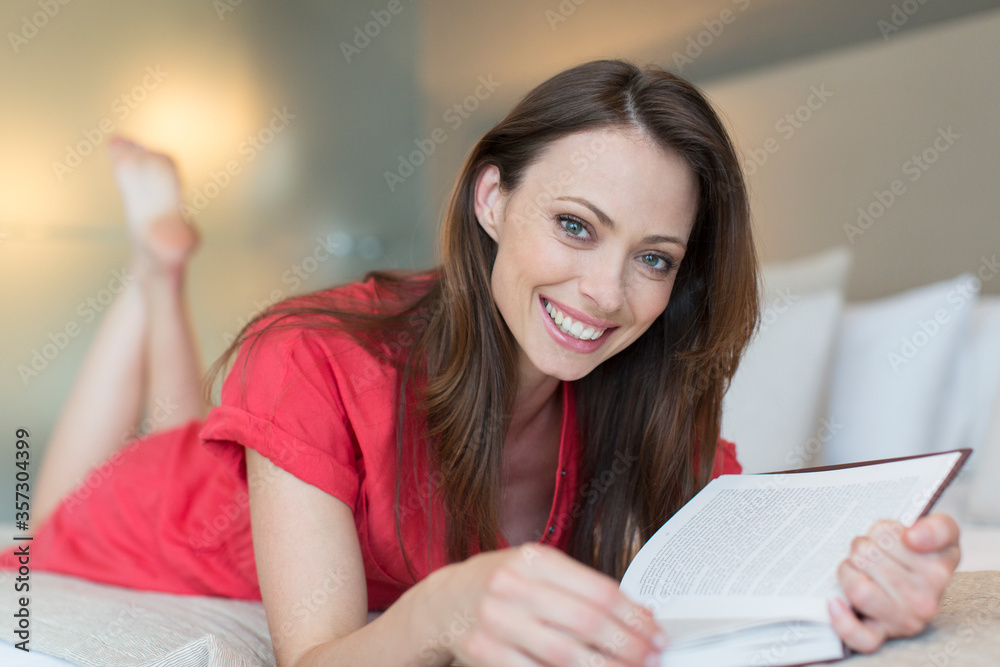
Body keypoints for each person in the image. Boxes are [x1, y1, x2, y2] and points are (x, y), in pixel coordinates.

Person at [1, 59, 960, 667]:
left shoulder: (641, 389)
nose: (603, 293)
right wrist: (442, 610)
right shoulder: (316, 355)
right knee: (54, 514)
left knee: (182, 425)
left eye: (654, 258)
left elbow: (743, 561)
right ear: (492, 200)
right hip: (158, 519)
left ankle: (162, 265)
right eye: (576, 226)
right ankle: (155, 267)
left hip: (235, 473)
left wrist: (866, 579)